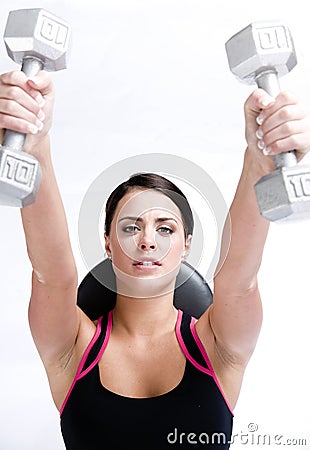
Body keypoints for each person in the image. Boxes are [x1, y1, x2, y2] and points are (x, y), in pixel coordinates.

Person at [0, 69, 309, 450]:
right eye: (130, 228)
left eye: (165, 229)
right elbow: (52, 276)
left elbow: (238, 283)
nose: (148, 241)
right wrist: (35, 145)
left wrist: (260, 163)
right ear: (108, 244)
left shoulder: (218, 346)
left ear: (186, 246)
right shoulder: (71, 348)